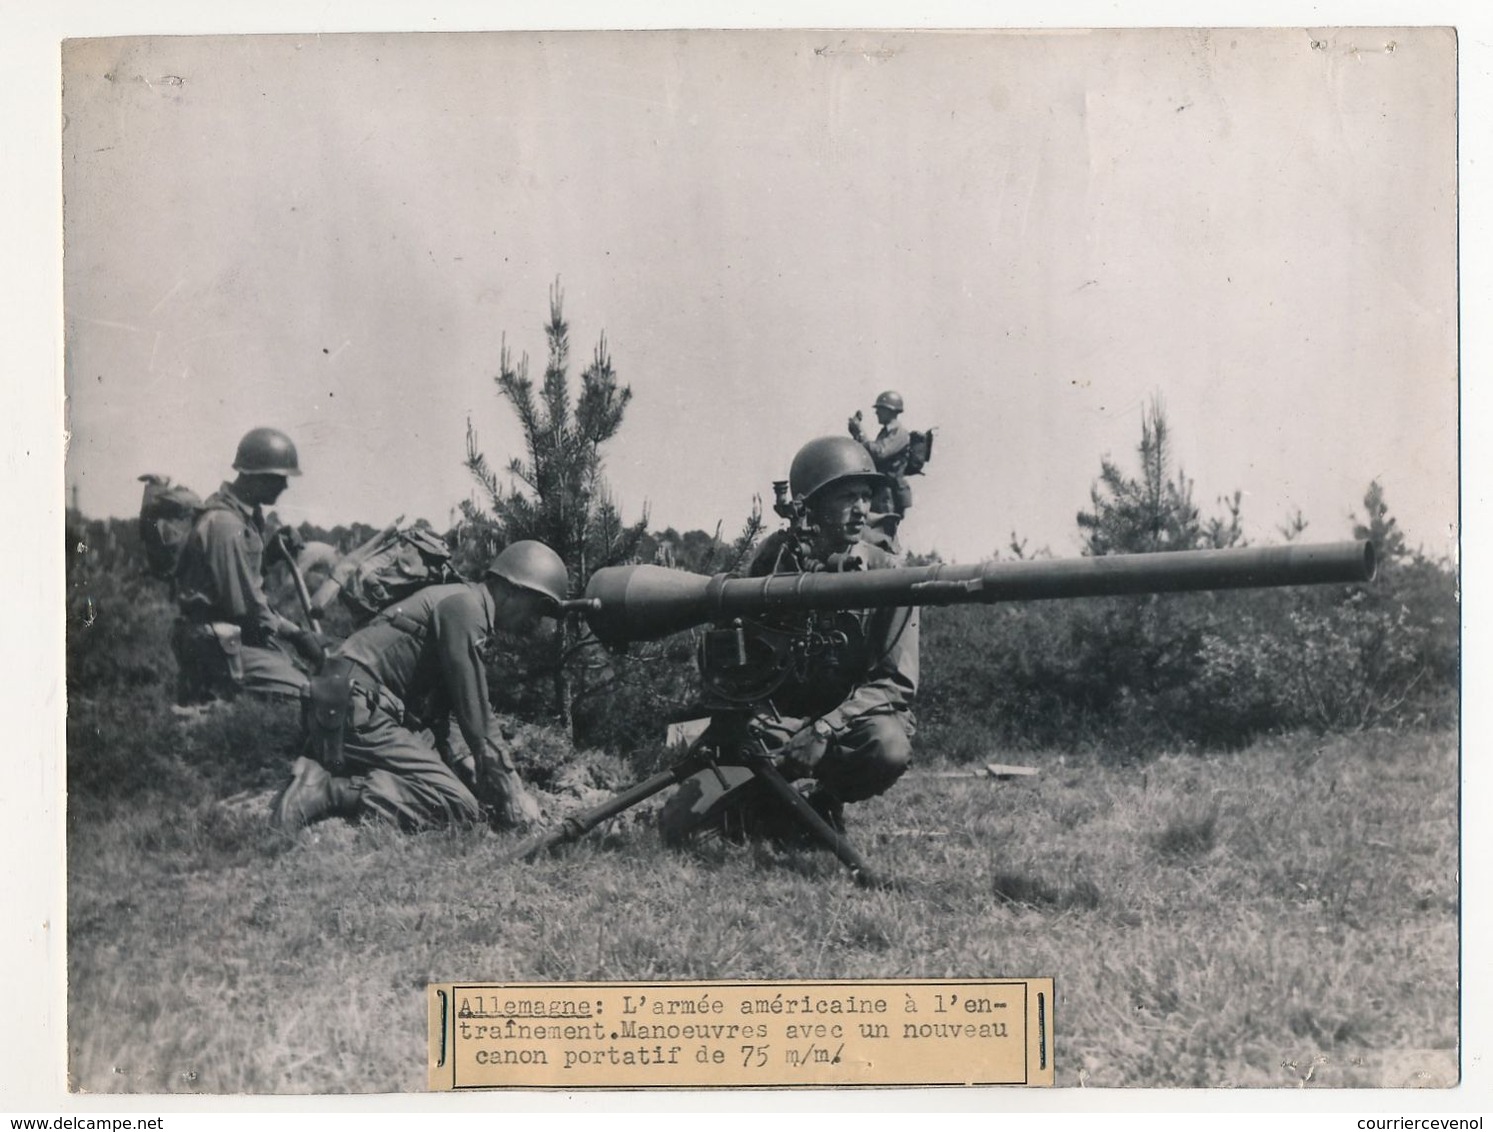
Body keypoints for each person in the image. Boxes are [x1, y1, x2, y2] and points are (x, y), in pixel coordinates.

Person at [661, 436, 917, 841]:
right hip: (774, 726)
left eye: (866, 496)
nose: (862, 509)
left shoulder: (888, 572)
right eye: (847, 497)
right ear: (811, 505)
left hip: (849, 726)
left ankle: (824, 801)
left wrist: (824, 729)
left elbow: (894, 685)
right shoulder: (776, 559)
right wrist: (756, 712)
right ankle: (770, 807)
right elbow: (743, 649)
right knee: (677, 824)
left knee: (888, 746)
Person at [270, 540, 569, 833]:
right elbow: (476, 714)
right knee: (458, 804)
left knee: (454, 780)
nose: (535, 620)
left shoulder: (458, 599)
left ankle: (333, 767)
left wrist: (467, 764)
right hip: (354, 708)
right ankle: (328, 789)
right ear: (512, 589)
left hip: (344, 705)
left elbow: (446, 712)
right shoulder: (467, 608)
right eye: (537, 607)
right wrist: (512, 790)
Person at [172, 427, 321, 705]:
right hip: (213, 643)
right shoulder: (226, 525)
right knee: (308, 694)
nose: (285, 486)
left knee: (304, 676)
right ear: (257, 477)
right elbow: (246, 605)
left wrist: (271, 554)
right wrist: (297, 635)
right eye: (279, 479)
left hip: (228, 635)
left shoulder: (241, 519)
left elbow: (234, 578)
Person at [847, 389, 914, 521]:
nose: (876, 412)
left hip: (890, 494)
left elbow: (879, 453)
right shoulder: (886, 433)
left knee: (885, 529)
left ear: (890, 410)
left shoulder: (900, 433)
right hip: (882, 492)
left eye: (880, 409)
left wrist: (860, 433)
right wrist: (856, 434)